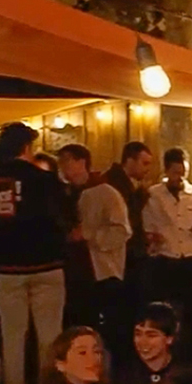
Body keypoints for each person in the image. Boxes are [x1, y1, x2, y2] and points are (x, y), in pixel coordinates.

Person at [0, 123, 67, 384]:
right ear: (27, 147)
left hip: (8, 269)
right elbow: (63, 219)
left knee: (13, 338)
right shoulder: (44, 179)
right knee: (50, 338)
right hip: (47, 266)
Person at [58, 144, 132, 357]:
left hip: (102, 272)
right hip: (75, 273)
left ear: (82, 162)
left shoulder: (106, 193)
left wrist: (89, 235)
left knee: (106, 330)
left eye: (67, 161)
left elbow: (121, 230)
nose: (63, 167)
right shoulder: (66, 194)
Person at [143, 147, 192, 304]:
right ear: (166, 171)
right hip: (165, 260)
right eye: (176, 173)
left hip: (190, 260)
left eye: (183, 173)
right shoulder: (153, 195)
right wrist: (151, 237)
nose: (180, 178)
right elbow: (146, 225)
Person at [102, 141, 154, 309]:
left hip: (133, 253)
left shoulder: (128, 184)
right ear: (130, 161)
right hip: (124, 255)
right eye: (144, 163)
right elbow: (124, 218)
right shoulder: (114, 184)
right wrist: (140, 197)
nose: (147, 169)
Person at [115, 302, 191, 384]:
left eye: (151, 335)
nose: (142, 342)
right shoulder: (125, 374)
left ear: (169, 339)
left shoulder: (185, 374)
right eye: (138, 334)